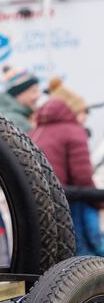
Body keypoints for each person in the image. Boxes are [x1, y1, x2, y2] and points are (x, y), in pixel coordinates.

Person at [30, 77, 104, 255]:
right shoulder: (74, 131)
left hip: (39, 203)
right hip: (69, 204)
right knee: (85, 258)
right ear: (73, 109)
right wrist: (99, 201)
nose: (85, 117)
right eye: (84, 111)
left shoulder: (35, 131)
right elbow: (82, 177)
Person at [0, 66, 40, 133]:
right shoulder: (16, 120)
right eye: (33, 91)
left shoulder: (18, 115)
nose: (38, 96)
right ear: (19, 94)